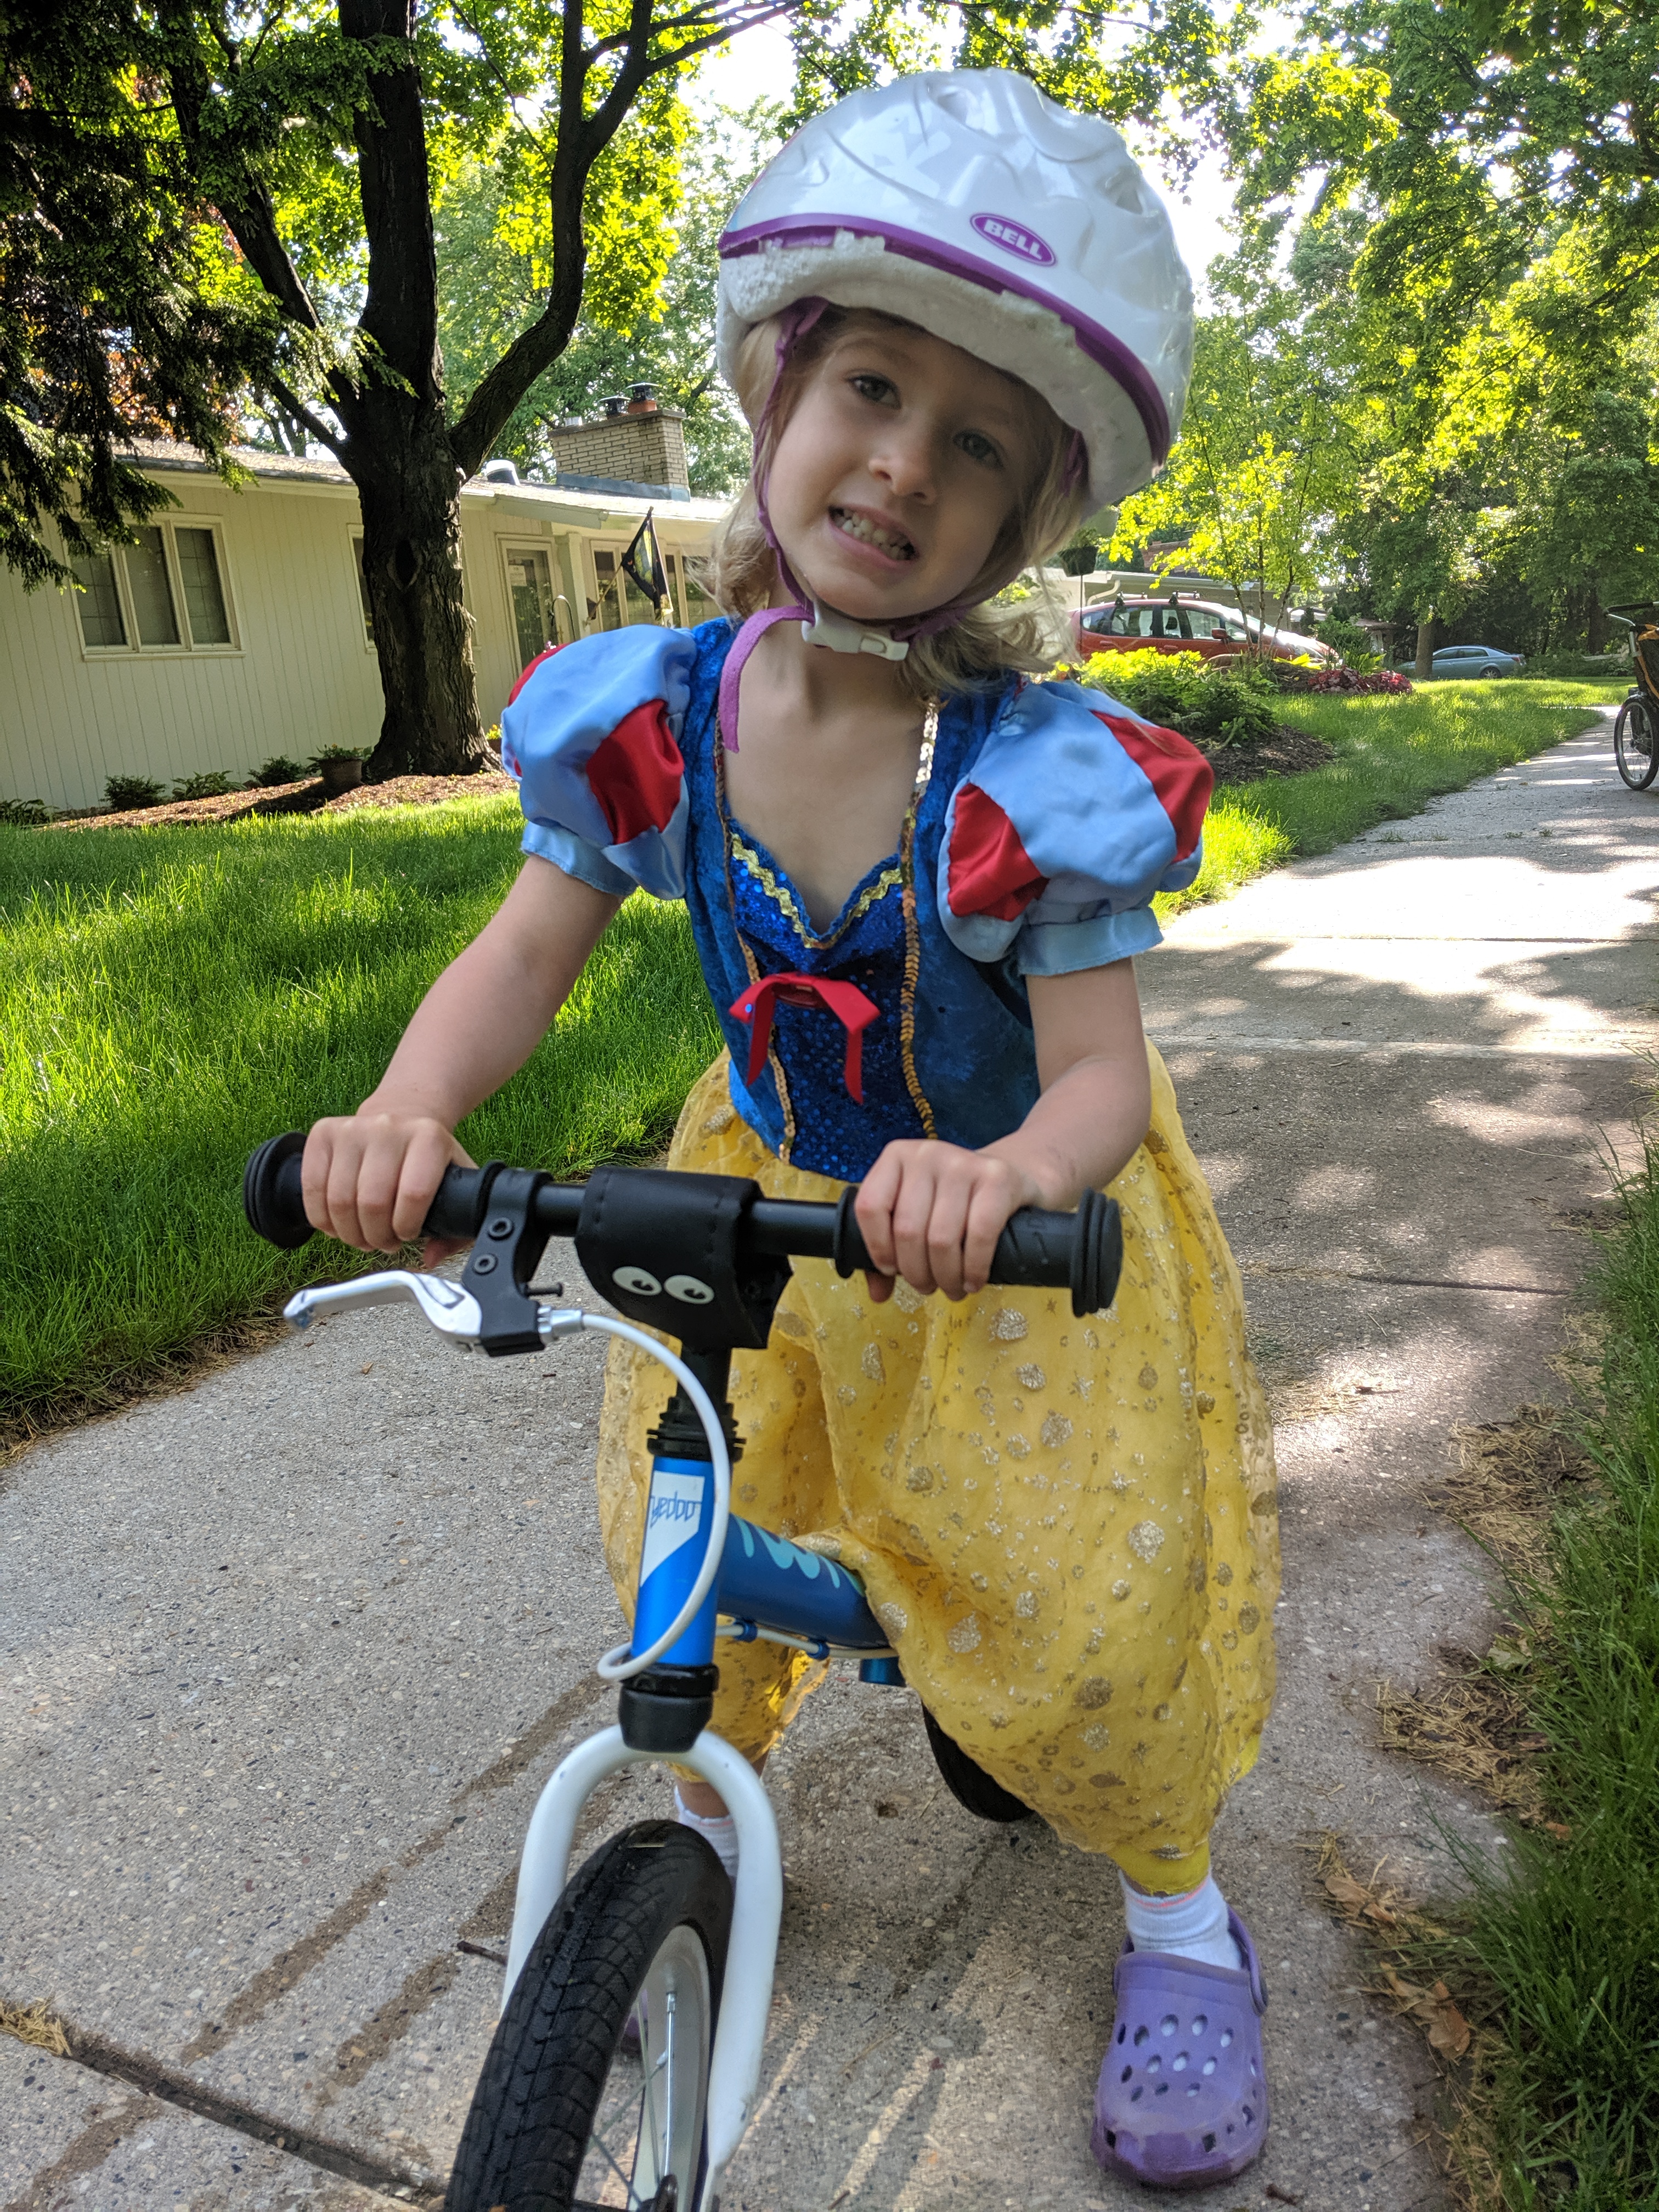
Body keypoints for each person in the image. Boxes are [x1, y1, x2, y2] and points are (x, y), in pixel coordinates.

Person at [300, 70, 1279, 2192]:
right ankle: (696, 1783)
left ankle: (1180, 1907)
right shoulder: (657, 710)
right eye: (866, 385)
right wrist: (403, 1110)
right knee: (703, 1504)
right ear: (771, 388)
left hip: (1011, 1221)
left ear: (1029, 516)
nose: (903, 462)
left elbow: (1100, 1073)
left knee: (1083, 1607)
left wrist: (1012, 1174)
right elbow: (526, 955)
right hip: (773, 1180)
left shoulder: (1037, 774)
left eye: (978, 444)